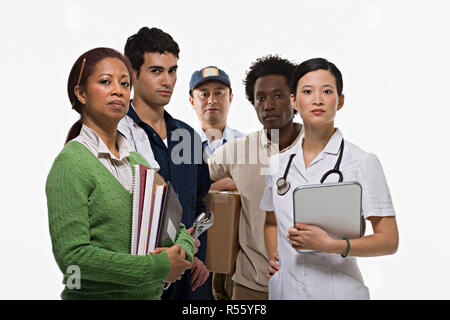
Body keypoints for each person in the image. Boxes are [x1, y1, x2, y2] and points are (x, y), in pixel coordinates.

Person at [46, 47, 194, 300]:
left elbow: (175, 225)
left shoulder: (138, 162)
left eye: (125, 84)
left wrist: (183, 253)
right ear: (81, 93)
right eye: (105, 82)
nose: (118, 90)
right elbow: (74, 260)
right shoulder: (71, 163)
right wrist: (158, 267)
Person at [260, 57, 399, 300]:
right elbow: (271, 221)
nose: (317, 100)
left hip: (338, 292)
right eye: (307, 91)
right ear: (294, 100)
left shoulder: (361, 162)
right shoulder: (277, 165)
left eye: (327, 91)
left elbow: (389, 240)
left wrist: (333, 245)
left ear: (340, 100)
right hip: (286, 293)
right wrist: (276, 256)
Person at [118, 27, 212, 300]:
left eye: (172, 71)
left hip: (191, 279)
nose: (167, 81)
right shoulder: (117, 134)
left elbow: (198, 205)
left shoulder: (187, 137)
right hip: (143, 277)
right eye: (156, 71)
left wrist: (196, 255)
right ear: (132, 74)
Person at [208, 55, 303, 300]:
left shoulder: (319, 148)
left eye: (278, 95)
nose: (268, 104)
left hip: (309, 286)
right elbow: (193, 185)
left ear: (294, 99)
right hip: (252, 287)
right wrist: (226, 185)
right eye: (261, 97)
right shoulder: (238, 151)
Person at [189, 66, 244, 299]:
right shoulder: (180, 146)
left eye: (219, 92)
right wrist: (230, 183)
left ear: (230, 98)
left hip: (237, 255)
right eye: (204, 94)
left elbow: (259, 189)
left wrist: (203, 187)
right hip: (193, 253)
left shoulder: (248, 145)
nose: (212, 100)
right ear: (192, 101)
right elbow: (179, 192)